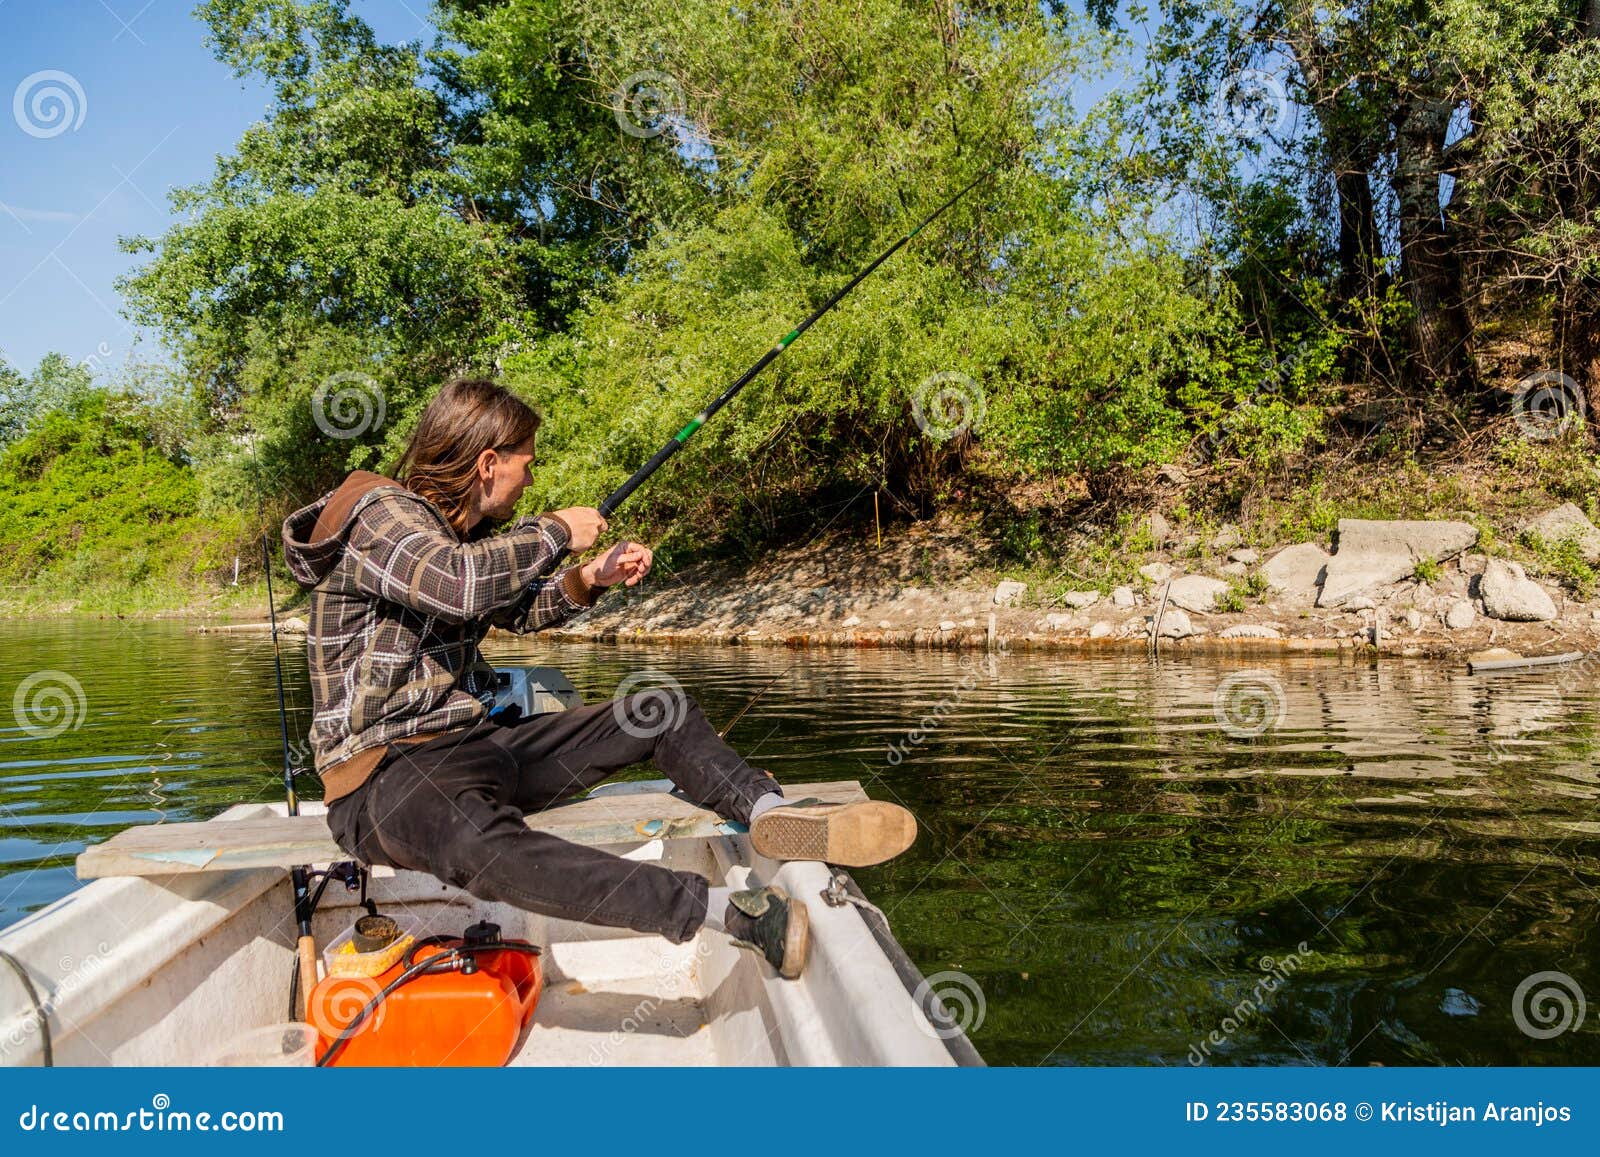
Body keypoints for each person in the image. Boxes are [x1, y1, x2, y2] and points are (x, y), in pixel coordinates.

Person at [281, 377, 916, 978]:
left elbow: (514, 607)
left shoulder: (454, 536)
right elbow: (459, 583)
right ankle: (724, 912)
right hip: (382, 778)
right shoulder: (381, 514)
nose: (530, 480)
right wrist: (556, 530)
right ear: (487, 463)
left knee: (657, 710)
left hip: (471, 748)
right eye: (526, 464)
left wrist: (589, 579)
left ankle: (769, 810)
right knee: (479, 844)